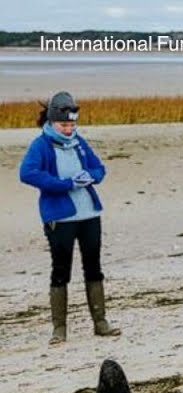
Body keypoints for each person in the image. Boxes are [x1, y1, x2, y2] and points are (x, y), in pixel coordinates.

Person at [18, 91, 121, 345]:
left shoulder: (79, 142)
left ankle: (100, 322)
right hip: (59, 218)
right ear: (52, 122)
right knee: (61, 270)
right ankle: (59, 329)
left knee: (94, 267)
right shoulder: (40, 144)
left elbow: (99, 168)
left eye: (72, 125)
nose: (68, 129)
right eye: (64, 125)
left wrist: (91, 176)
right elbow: (27, 173)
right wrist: (63, 184)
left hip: (89, 213)